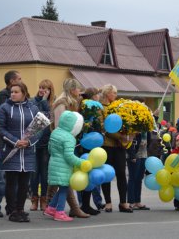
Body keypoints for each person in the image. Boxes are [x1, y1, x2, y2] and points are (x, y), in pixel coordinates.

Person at [45, 78, 89, 218]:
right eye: (78, 89)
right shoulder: (61, 103)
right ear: (71, 90)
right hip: (63, 143)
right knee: (63, 182)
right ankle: (59, 210)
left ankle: (51, 207)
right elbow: (59, 125)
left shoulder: (72, 101)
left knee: (62, 181)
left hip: (65, 142)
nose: (80, 92)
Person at [0, 82, 40, 222]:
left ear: (24, 93)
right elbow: (0, 129)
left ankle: (20, 209)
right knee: (11, 182)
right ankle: (12, 209)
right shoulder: (5, 108)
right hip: (11, 150)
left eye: (16, 92)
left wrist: (29, 141)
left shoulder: (33, 108)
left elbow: (40, 129)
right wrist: (15, 141)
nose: (13, 94)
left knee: (24, 183)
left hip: (27, 151)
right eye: (11, 92)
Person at [0, 71, 22, 218]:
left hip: (15, 141)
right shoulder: (3, 95)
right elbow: (7, 115)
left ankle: (12, 207)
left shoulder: (22, 96)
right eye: (19, 79)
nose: (21, 81)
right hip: (3, 141)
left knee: (13, 176)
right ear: (12, 81)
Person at [44, 111, 86, 221]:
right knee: (64, 189)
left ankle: (51, 208)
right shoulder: (69, 138)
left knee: (62, 188)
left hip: (53, 163)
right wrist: (81, 162)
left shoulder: (55, 132)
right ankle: (60, 212)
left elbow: (49, 149)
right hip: (64, 166)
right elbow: (69, 156)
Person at [100, 84, 133, 213]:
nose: (115, 95)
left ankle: (123, 202)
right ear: (107, 93)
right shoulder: (101, 107)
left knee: (121, 173)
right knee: (107, 174)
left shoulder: (119, 107)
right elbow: (103, 126)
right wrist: (120, 136)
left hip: (119, 146)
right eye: (113, 92)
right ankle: (108, 202)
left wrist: (128, 133)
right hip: (107, 145)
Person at [30, 79, 54, 211]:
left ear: (50, 91)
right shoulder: (32, 102)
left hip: (46, 143)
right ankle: (34, 199)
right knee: (34, 173)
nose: (42, 90)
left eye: (45, 88)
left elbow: (51, 118)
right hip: (34, 142)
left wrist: (45, 101)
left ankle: (44, 199)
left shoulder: (51, 103)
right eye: (40, 87)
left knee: (44, 174)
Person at [79, 87, 104, 215]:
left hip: (92, 143)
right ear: (93, 96)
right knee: (86, 173)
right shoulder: (88, 108)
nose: (99, 96)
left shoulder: (93, 108)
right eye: (97, 94)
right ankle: (83, 204)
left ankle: (85, 204)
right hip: (87, 144)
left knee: (90, 175)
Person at [127, 97, 150, 211]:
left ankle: (137, 201)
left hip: (143, 152)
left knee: (139, 177)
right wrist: (131, 154)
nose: (143, 107)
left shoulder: (145, 118)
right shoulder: (130, 119)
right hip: (134, 152)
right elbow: (129, 140)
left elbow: (149, 133)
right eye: (141, 105)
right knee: (133, 177)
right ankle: (130, 201)